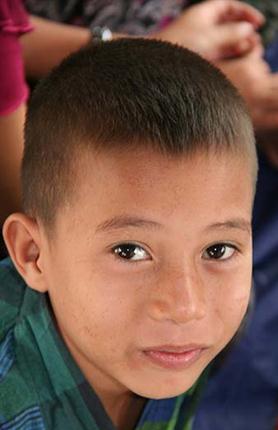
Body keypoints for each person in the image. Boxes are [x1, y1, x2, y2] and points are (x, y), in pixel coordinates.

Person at [0, 38, 257, 429]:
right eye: (129, 251)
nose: (186, 306)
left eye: (218, 249)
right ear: (34, 253)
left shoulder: (186, 338)